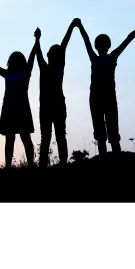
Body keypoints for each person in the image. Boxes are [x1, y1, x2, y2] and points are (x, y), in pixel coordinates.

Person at [76, 18, 135, 155]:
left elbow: (127, 39)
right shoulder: (106, 57)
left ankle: (113, 160)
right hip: (99, 99)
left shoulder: (104, 57)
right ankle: (110, 160)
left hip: (104, 99)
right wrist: (80, 26)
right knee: (104, 133)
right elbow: (126, 39)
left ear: (103, 46)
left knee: (109, 133)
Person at [0, 34, 39, 168]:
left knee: (25, 138)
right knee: (10, 138)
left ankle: (31, 165)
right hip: (9, 108)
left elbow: (33, 55)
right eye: (13, 61)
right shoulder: (8, 73)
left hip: (21, 108)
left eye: (17, 61)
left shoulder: (26, 72)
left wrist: (37, 39)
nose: (14, 63)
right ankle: (8, 166)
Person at [36, 19, 78, 168]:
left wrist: (37, 39)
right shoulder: (50, 66)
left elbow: (63, 44)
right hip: (52, 105)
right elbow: (40, 52)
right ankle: (57, 163)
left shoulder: (53, 66)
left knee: (54, 136)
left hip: (53, 105)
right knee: (55, 136)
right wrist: (37, 39)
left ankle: (56, 163)